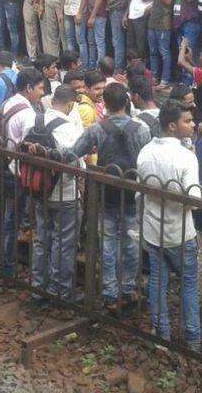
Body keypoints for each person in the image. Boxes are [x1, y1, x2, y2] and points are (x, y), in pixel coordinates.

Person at [70, 83, 152, 311]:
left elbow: (74, 151)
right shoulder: (142, 129)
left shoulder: (97, 129)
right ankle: (128, 288)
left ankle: (109, 292)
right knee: (131, 243)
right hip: (132, 194)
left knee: (108, 245)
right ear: (127, 102)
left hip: (106, 195)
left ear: (104, 103)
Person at [138, 100, 202, 352]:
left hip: (153, 228)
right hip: (180, 230)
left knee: (158, 280)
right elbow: (194, 201)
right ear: (172, 125)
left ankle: (162, 335)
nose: (192, 125)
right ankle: (193, 337)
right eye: (187, 121)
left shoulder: (145, 152)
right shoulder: (185, 157)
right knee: (189, 282)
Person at [0, 68, 46, 277]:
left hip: (2, 165)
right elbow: (30, 146)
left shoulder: (10, 102)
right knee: (11, 221)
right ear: (28, 88)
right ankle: (7, 268)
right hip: (16, 172)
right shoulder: (28, 114)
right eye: (39, 88)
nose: (42, 93)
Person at [28, 84, 84, 301]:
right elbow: (78, 163)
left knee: (42, 238)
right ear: (70, 105)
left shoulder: (36, 120)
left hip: (39, 189)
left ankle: (38, 286)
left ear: (52, 101)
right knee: (64, 241)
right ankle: (59, 290)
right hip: (65, 193)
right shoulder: (69, 128)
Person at [148, 0, 177, 89]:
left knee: (164, 51)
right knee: (153, 51)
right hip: (153, 20)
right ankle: (154, 77)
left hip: (164, 21)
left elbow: (168, 1)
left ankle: (164, 80)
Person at [173, 0, 202, 85]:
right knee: (181, 52)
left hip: (190, 22)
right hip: (178, 22)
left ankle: (190, 82)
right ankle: (183, 81)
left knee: (188, 53)